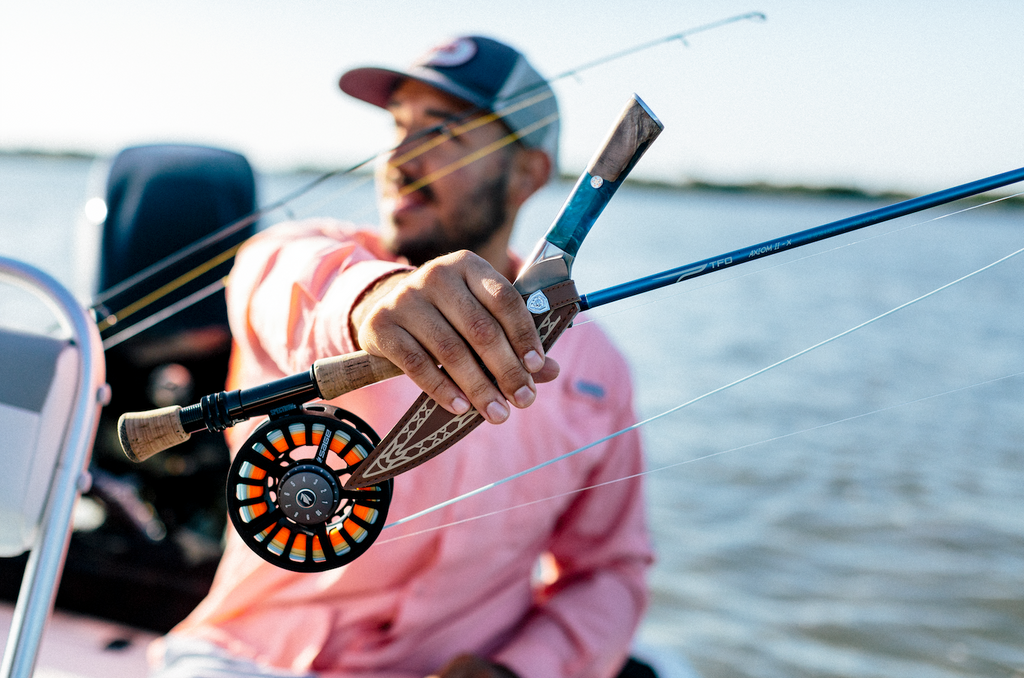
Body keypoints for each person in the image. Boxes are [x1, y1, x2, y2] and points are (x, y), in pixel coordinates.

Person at [150, 36, 654, 678]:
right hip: (249, 660)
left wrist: (522, 669)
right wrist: (375, 301)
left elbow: (610, 571)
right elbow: (282, 278)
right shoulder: (303, 257)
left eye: (443, 133)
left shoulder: (599, 369)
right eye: (398, 128)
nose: (400, 157)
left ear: (526, 174)